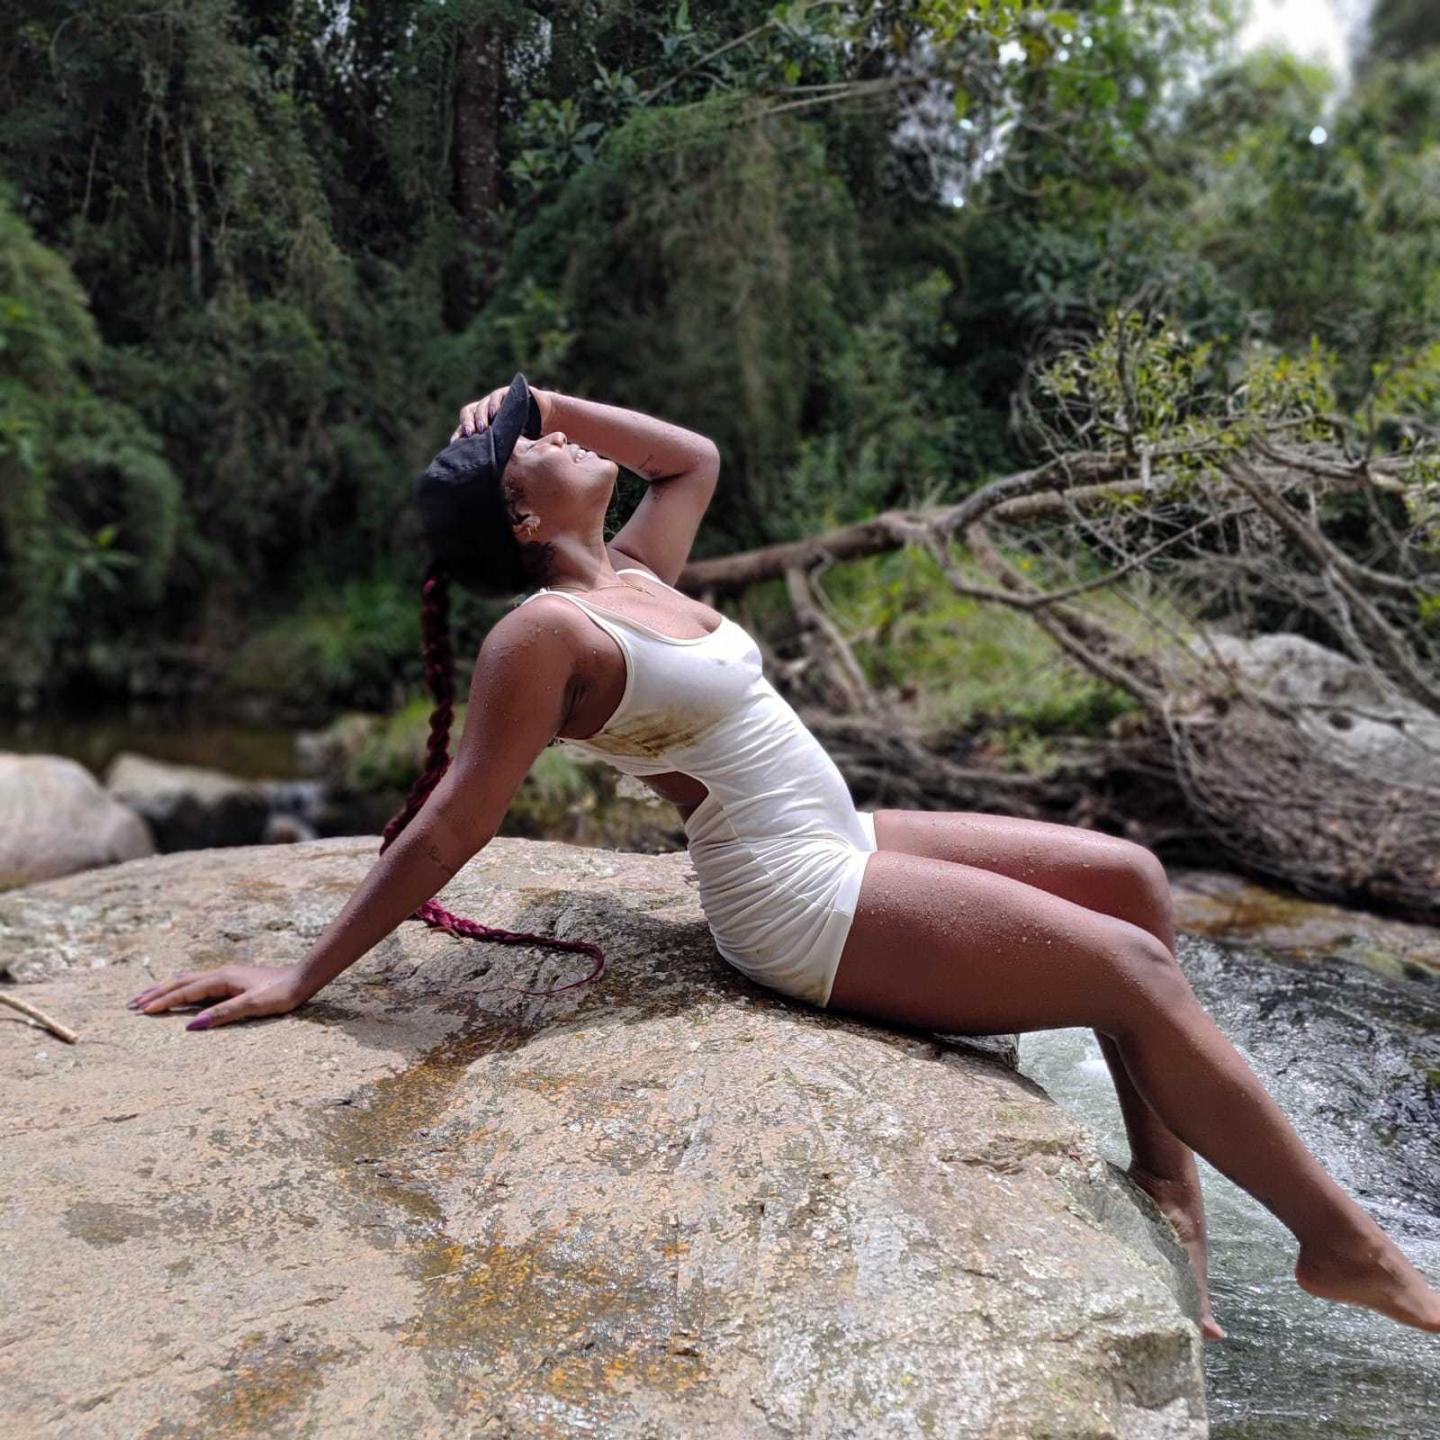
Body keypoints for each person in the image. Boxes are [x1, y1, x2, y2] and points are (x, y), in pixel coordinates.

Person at [128, 374, 1440, 1341]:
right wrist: (305, 976)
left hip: (843, 835)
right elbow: (455, 821)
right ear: (521, 514)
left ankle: (1168, 1185)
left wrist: (538, 398)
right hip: (793, 898)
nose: (564, 438)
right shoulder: (544, 636)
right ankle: (1340, 1244)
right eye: (537, 446)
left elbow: (693, 458)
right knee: (1130, 970)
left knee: (1133, 882)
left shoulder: (632, 574)